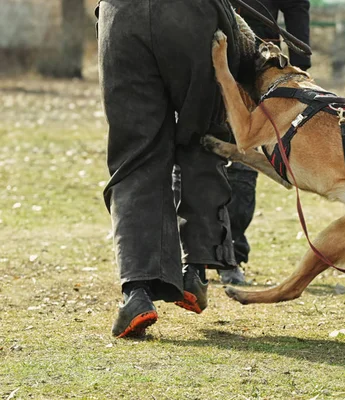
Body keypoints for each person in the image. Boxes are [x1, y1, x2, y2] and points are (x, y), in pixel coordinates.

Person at [96, 0, 256, 338]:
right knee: (203, 138)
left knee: (134, 155)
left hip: (122, 18)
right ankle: (194, 271)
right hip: (191, 15)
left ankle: (136, 294)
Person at [218, 0, 312, 285]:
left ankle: (231, 254)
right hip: (198, 46)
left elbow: (295, 5)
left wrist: (298, 59)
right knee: (191, 151)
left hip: (255, 58)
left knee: (242, 156)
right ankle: (192, 255)